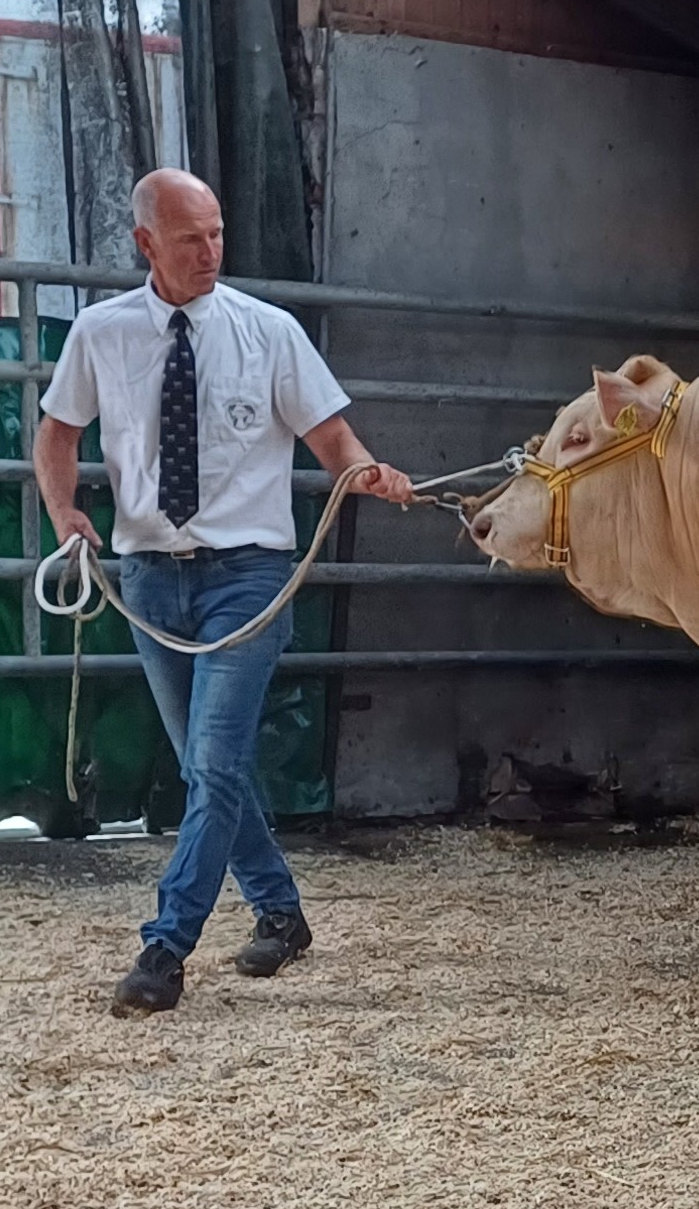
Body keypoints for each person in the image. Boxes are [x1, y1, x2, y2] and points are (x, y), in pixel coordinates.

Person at [34, 168, 415, 1018]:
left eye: (215, 234)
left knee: (210, 763)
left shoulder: (268, 332)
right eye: (189, 239)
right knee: (213, 765)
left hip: (247, 575)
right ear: (146, 246)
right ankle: (281, 912)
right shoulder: (101, 333)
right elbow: (56, 433)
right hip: (147, 576)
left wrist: (368, 474)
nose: (210, 252)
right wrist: (67, 513)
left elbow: (331, 436)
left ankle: (164, 950)